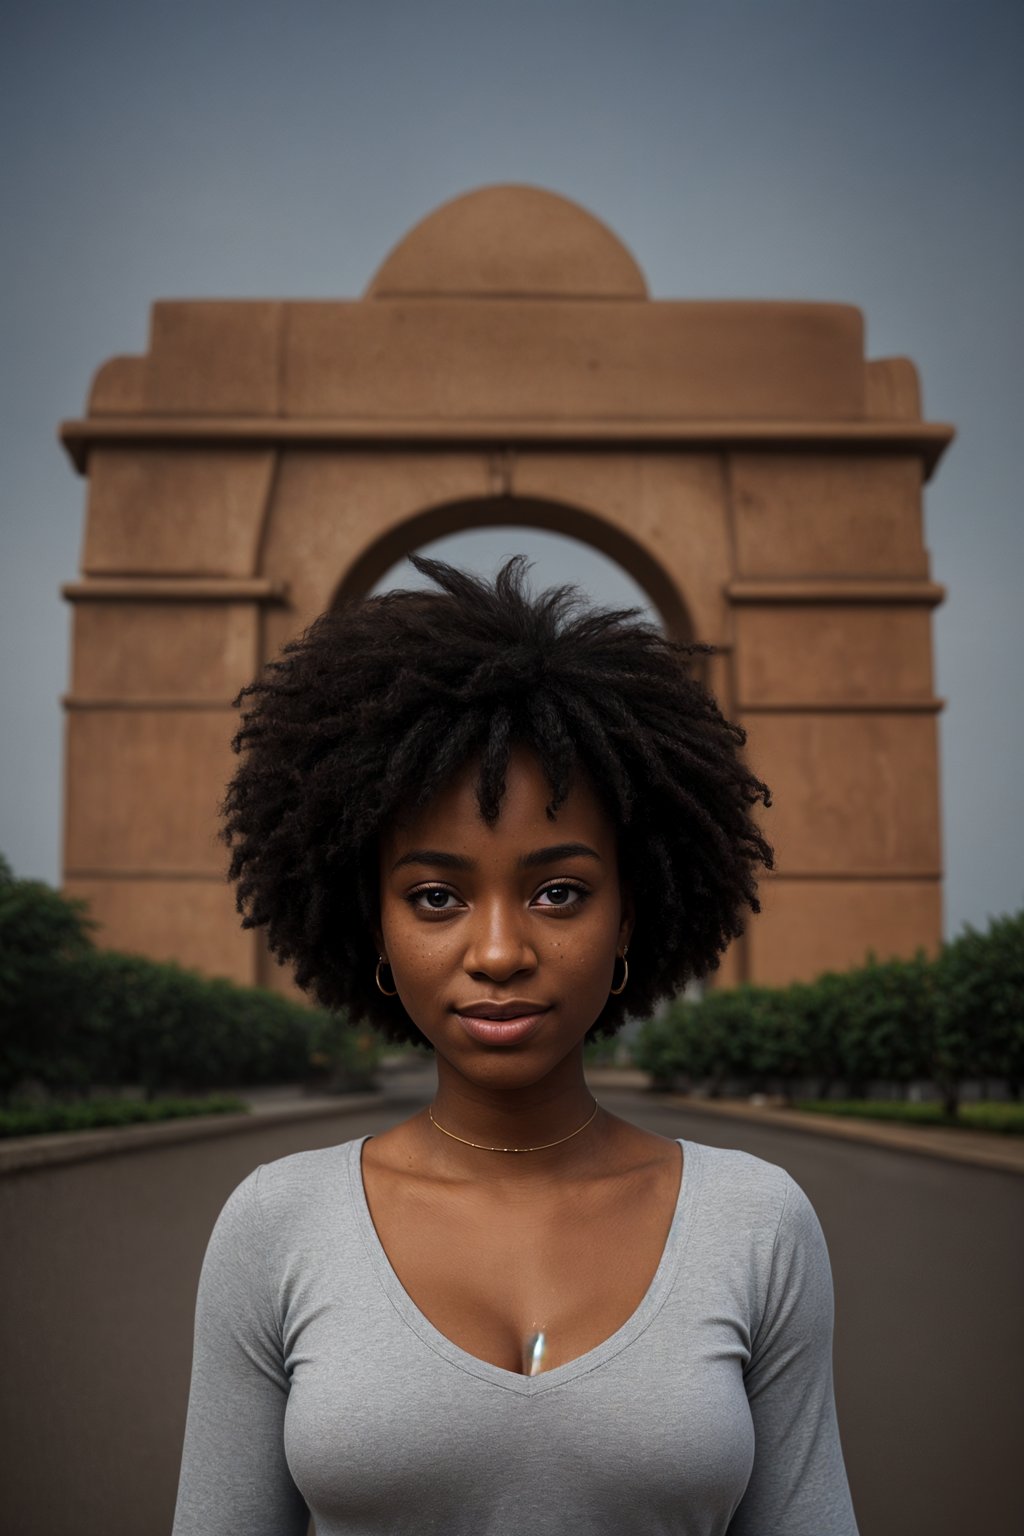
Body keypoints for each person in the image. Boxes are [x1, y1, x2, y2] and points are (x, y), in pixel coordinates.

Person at [172, 556, 859, 1535]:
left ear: (633, 915)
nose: (499, 952)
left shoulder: (756, 1223)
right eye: (436, 896)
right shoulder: (276, 1225)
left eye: (559, 892)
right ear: (370, 924)